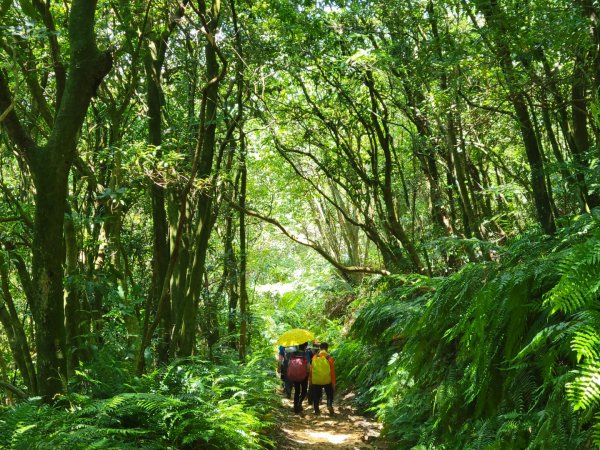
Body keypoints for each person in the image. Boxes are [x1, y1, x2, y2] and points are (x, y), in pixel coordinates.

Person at [309, 342, 335, 416]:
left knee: (316, 395)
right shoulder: (329, 358)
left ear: (320, 348)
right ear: (327, 348)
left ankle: (316, 410)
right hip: (327, 380)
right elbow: (332, 371)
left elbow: (311, 370)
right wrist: (333, 383)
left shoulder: (314, 357)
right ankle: (329, 404)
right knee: (329, 394)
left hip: (316, 380)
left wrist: (310, 380)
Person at [287, 342, 310, 413]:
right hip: (304, 376)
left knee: (297, 391)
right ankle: (299, 403)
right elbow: (308, 366)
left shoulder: (293, 353)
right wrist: (308, 373)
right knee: (304, 391)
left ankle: (295, 407)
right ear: (305, 346)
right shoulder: (306, 354)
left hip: (295, 375)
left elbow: (289, 364)